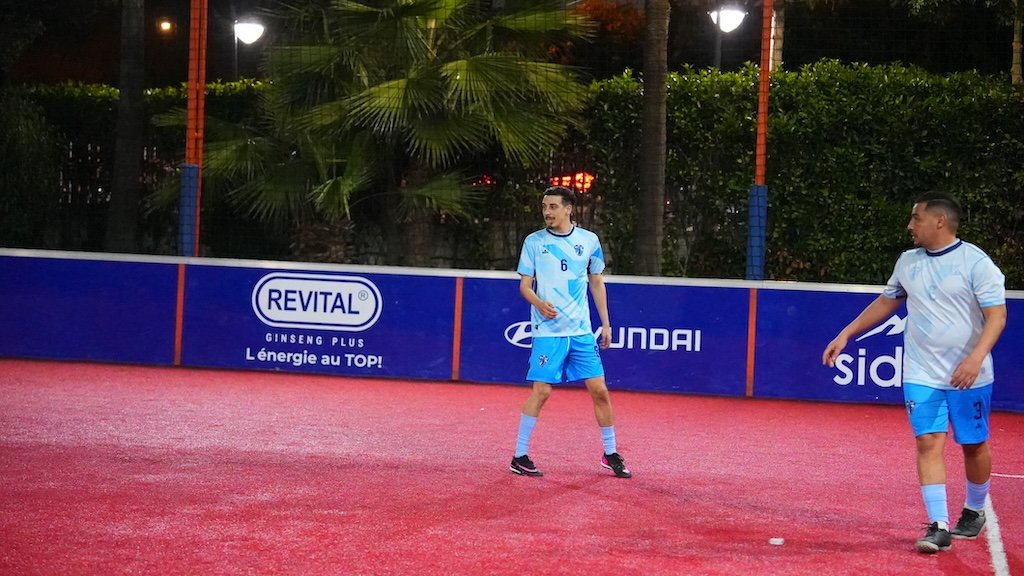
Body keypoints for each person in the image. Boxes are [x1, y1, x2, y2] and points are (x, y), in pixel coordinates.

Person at [822, 191, 1007, 554]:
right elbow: (887, 302)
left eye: (916, 218)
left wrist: (975, 359)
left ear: (940, 221)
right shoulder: (908, 262)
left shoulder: (976, 263)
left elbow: (997, 316)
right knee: (927, 441)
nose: (910, 225)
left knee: (973, 443)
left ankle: (974, 511)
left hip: (969, 374)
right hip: (921, 371)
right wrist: (846, 333)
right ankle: (938, 525)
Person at [508, 186, 632, 479]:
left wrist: (605, 323)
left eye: (552, 206)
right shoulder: (534, 242)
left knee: (600, 390)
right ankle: (519, 455)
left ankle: (610, 453)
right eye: (544, 207)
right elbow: (525, 286)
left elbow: (596, 282)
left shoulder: (589, 241)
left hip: (581, 331)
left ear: (568, 209)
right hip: (547, 331)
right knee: (542, 392)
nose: (547, 212)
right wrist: (539, 303)